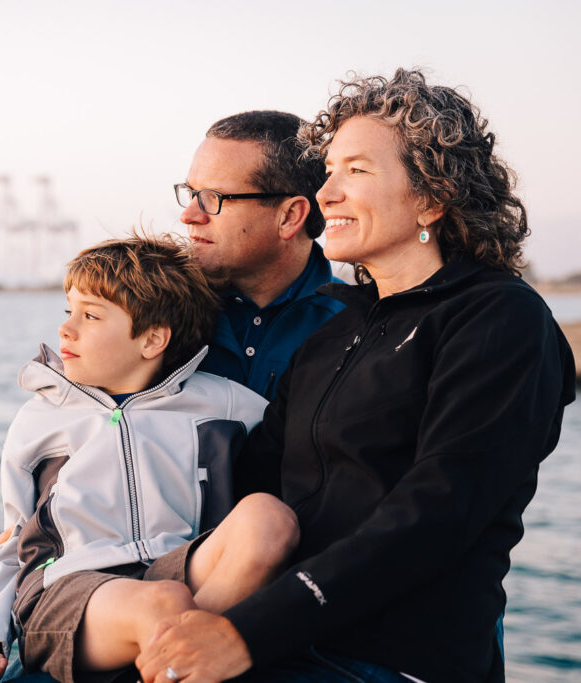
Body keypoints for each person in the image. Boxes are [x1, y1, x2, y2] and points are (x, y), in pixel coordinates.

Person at [135, 69, 576, 683]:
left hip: (391, 661)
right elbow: (249, 484)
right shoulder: (336, 333)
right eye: (329, 171)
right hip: (289, 644)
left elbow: (438, 511)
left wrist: (245, 633)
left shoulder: (500, 317)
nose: (326, 194)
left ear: (432, 196)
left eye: (356, 171)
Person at [0, 234, 299, 683]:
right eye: (68, 312)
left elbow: (301, 449)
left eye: (91, 316)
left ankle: (173, 661)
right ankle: (182, 658)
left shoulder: (223, 404)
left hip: (176, 565)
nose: (66, 329)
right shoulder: (39, 419)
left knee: (269, 519)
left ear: (152, 339)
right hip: (69, 588)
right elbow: (14, 541)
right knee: (164, 603)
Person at [177, 111, 346, 399]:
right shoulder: (160, 310)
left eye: (213, 197)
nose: (189, 215)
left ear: (290, 216)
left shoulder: (356, 328)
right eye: (191, 193)